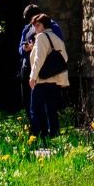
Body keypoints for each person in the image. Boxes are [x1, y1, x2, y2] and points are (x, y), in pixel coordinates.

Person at [27, 11, 70, 141]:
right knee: (51, 110)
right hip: (54, 81)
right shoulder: (56, 38)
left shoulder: (41, 37)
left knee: (35, 110)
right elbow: (65, 58)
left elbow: (38, 59)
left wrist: (33, 77)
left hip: (41, 81)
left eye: (35, 25)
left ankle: (38, 137)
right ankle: (54, 137)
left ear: (40, 25)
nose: (34, 29)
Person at [17, 3, 63, 109]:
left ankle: (45, 125)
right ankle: (34, 125)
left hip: (45, 70)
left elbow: (59, 46)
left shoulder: (53, 26)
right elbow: (20, 49)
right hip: (28, 68)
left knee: (47, 104)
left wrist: (39, 47)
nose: (31, 23)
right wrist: (25, 49)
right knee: (28, 103)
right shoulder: (27, 29)